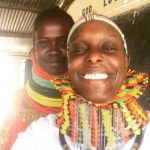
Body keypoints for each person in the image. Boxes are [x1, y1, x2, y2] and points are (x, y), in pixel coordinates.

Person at [12, 14, 150, 150]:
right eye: (79, 49)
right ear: (68, 63)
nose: (94, 56)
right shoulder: (39, 135)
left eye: (108, 48)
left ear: (126, 61)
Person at [0, 7, 74, 150]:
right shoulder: (16, 100)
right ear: (34, 46)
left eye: (62, 41)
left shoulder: (92, 102)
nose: (53, 50)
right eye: (44, 42)